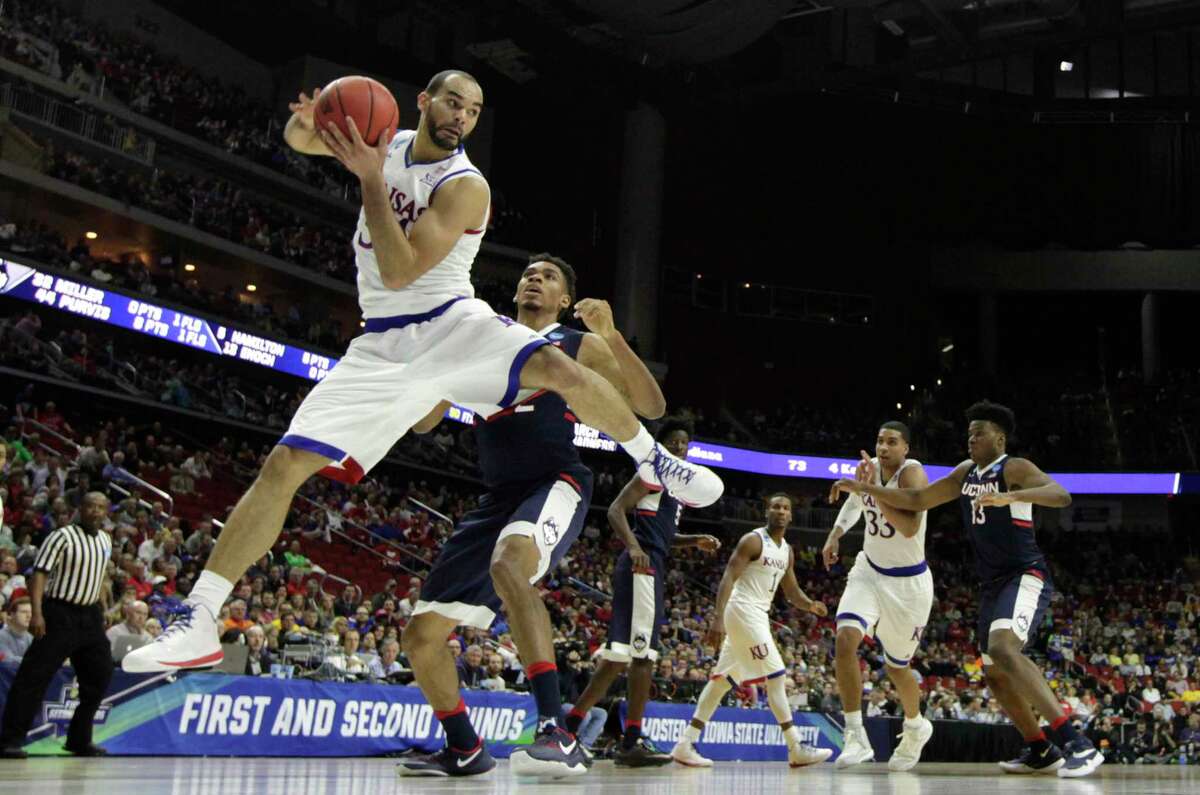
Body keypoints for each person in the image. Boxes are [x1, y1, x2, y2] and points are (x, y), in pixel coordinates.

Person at [122, 69, 722, 692]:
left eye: (473, 110)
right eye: (452, 102)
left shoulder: (466, 186)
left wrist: (369, 176)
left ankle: (654, 462)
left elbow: (402, 270)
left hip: (448, 322)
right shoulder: (387, 140)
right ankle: (198, 616)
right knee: (283, 464)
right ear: (423, 101)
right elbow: (302, 141)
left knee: (556, 365)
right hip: (381, 345)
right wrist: (311, 123)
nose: (461, 115)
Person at [399, 253, 673, 778]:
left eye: (548, 276)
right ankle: (464, 747)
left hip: (557, 480)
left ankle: (556, 730)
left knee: (509, 563)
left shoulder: (575, 343)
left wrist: (613, 336)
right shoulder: (486, 339)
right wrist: (432, 367)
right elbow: (424, 424)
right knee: (420, 636)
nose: (533, 279)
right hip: (496, 496)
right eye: (528, 273)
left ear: (565, 300)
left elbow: (652, 406)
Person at [830, 400, 1102, 778]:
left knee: (1004, 649)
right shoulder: (965, 473)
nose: (970, 439)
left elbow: (1060, 495)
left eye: (979, 433)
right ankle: (1040, 748)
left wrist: (1013, 496)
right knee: (992, 672)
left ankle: (1077, 742)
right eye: (969, 433)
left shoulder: (1014, 468)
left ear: (999, 438)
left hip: (1024, 574)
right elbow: (916, 501)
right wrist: (864, 487)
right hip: (990, 583)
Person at [564, 419, 722, 767]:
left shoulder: (676, 492)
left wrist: (692, 540)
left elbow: (662, 536)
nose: (680, 448)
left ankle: (567, 729)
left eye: (685, 444)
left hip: (652, 562)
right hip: (642, 565)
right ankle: (631, 741)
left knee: (618, 656)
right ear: (662, 446)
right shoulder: (653, 473)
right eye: (674, 443)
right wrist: (634, 548)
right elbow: (616, 510)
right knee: (643, 657)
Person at [669, 495, 833, 768]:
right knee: (777, 676)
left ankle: (685, 743)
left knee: (721, 681)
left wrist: (811, 605)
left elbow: (791, 592)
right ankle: (795, 747)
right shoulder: (753, 540)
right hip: (743, 611)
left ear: (791, 515)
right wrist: (718, 619)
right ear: (766, 511)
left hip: (755, 615)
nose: (780, 511)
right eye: (775, 507)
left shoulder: (787, 550)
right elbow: (729, 577)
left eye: (785, 508)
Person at [822, 421, 935, 772]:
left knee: (896, 668)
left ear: (906, 448)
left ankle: (916, 726)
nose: (883, 447)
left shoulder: (913, 475)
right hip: (868, 571)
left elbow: (909, 525)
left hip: (909, 587)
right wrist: (835, 534)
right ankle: (855, 736)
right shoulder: (870, 468)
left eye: (891, 442)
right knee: (844, 640)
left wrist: (870, 488)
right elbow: (856, 502)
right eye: (879, 440)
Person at [0, 493, 113, 758]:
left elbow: (98, 576)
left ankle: (78, 739)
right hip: (59, 612)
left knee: (100, 674)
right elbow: (39, 574)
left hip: (90, 615)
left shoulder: (106, 540)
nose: (95, 512)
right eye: (90, 506)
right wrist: (38, 614)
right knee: (33, 676)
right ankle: (8, 740)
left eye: (101, 508)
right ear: (80, 509)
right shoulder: (62, 536)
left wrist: (102, 607)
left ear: (106, 512)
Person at [0, 596, 32, 664]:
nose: (29, 615)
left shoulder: (31, 636)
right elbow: (8, 661)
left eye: (31, 612)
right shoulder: (1, 636)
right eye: (24, 612)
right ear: (12, 614)